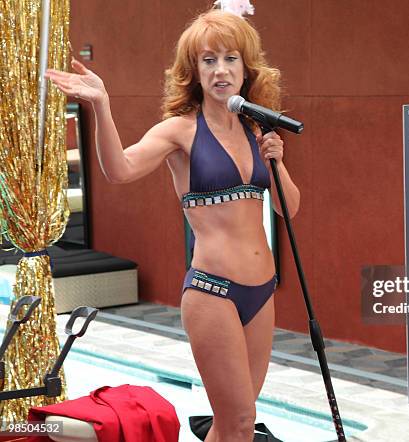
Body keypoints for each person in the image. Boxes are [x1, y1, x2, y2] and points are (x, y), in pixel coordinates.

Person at [46, 9, 300, 442]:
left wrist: (276, 161)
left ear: (246, 67)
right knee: (238, 423)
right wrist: (102, 106)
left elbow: (287, 209)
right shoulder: (180, 131)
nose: (221, 70)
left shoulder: (257, 128)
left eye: (230, 59)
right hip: (213, 292)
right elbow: (120, 169)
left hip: (262, 291)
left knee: (236, 422)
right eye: (208, 60)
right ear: (194, 71)